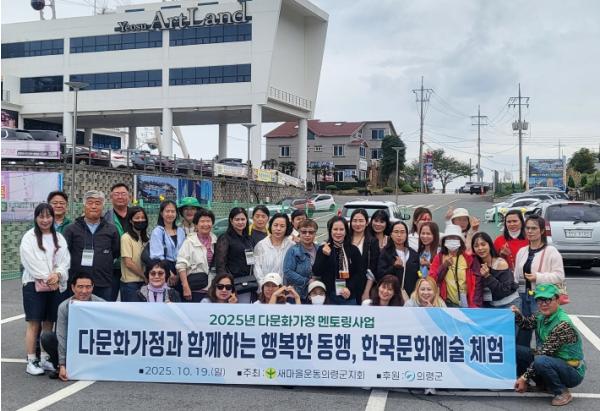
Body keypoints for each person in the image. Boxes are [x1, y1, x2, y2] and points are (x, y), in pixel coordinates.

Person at [513, 284, 585, 407]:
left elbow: (543, 353)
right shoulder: (540, 315)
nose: (543, 304)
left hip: (572, 371)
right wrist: (517, 314)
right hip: (552, 360)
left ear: (557, 300)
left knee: (541, 361)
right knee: (516, 350)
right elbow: (526, 325)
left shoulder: (563, 324)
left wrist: (524, 378)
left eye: (547, 300)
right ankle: (544, 384)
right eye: (539, 300)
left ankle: (562, 392)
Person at [20, 203, 70, 376]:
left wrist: (58, 274)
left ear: (53, 218)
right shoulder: (29, 237)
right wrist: (49, 278)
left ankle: (45, 357)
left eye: (48, 216)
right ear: (36, 218)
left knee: (49, 321)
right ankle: (31, 359)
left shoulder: (59, 237)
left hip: (54, 284)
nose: (45, 220)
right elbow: (30, 262)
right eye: (41, 216)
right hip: (34, 285)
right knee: (34, 323)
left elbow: (65, 260)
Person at [40, 273, 104, 380]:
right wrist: (62, 364)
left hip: (94, 344)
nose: (84, 291)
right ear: (73, 288)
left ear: (93, 287)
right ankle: (60, 367)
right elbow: (61, 336)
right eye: (80, 287)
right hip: (72, 344)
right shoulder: (64, 307)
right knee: (47, 337)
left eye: (88, 287)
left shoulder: (101, 304)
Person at [514, 215, 565, 347]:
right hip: (523, 296)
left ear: (542, 231)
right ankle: (524, 360)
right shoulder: (522, 251)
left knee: (542, 335)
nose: (530, 231)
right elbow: (516, 276)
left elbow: (559, 276)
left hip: (542, 298)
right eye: (527, 228)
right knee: (522, 334)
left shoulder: (551, 251)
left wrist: (538, 277)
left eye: (534, 228)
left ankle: (541, 359)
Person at [63, 190, 120, 301]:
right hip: (78, 284)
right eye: (90, 203)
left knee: (103, 310)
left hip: (103, 281)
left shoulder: (111, 229)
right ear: (84, 205)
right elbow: (65, 253)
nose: (94, 206)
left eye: (98, 203)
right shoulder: (71, 229)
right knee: (78, 311)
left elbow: (116, 251)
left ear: (103, 206)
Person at [312, 217, 362, 305]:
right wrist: (324, 256)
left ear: (346, 231)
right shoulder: (323, 248)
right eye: (335, 229)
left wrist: (349, 288)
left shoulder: (353, 250)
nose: (338, 232)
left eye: (341, 229)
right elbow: (316, 272)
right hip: (329, 296)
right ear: (330, 231)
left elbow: (359, 273)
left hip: (348, 296)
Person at [429, 224, 482, 308]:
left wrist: (475, 306)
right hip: (446, 304)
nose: (452, 240)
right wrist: (444, 266)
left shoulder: (469, 258)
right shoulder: (439, 257)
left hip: (468, 305)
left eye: (455, 238)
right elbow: (432, 280)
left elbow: (477, 283)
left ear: (460, 241)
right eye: (449, 238)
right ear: (444, 241)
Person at [214, 207, 256, 303]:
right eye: (237, 219)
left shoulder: (249, 239)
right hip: (232, 285)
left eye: (243, 219)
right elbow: (220, 265)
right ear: (231, 221)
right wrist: (226, 286)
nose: (240, 222)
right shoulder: (225, 238)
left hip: (248, 283)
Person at [176, 208, 217, 302]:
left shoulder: (215, 240)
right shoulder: (189, 242)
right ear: (196, 224)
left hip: (212, 289)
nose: (206, 224)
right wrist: (185, 287)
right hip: (195, 289)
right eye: (202, 221)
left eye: (208, 221)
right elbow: (181, 265)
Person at [471, 232, 520, 308]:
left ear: (490, 245)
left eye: (483, 244)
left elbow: (504, 290)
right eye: (476, 246)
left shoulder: (500, 263)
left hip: (509, 303)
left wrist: (488, 276)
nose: (480, 248)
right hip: (489, 305)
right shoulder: (475, 265)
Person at [104, 183, 132, 301]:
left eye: (123, 194)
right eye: (116, 194)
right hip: (112, 268)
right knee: (109, 301)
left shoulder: (136, 215)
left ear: (129, 196)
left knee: (131, 303)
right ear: (111, 197)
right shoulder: (104, 217)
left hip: (132, 267)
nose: (120, 197)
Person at [377, 221, 420, 297]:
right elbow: (380, 275)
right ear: (391, 235)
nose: (399, 235)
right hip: (390, 296)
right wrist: (394, 267)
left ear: (407, 235)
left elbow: (417, 275)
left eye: (402, 232)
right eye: (396, 232)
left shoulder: (414, 254)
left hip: (411, 296)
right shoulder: (385, 253)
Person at [149, 200, 186, 281]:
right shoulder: (157, 231)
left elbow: (185, 252)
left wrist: (179, 273)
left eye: (173, 211)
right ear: (161, 213)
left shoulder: (180, 231)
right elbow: (157, 256)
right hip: (164, 269)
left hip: (181, 269)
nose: (170, 214)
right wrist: (169, 273)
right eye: (167, 211)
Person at [348, 209, 380, 304]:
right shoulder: (345, 239)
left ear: (367, 223)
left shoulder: (372, 242)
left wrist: (366, 291)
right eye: (355, 220)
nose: (358, 224)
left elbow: (372, 268)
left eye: (361, 221)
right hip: (345, 285)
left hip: (363, 285)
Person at [253, 213, 294, 285]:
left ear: (287, 228)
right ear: (270, 226)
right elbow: (257, 268)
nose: (278, 229)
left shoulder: (291, 246)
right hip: (265, 288)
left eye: (282, 226)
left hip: (285, 288)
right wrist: (263, 285)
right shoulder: (261, 245)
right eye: (275, 225)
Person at [283, 219, 318, 301]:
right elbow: (287, 272)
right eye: (304, 232)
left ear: (315, 233)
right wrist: (307, 281)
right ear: (299, 232)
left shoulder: (319, 249)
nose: (307, 235)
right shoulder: (293, 250)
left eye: (311, 232)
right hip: (297, 295)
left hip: (316, 293)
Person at [119, 206, 149, 302]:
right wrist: (144, 276)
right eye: (137, 218)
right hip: (130, 284)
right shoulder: (126, 238)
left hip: (144, 283)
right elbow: (128, 263)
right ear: (131, 221)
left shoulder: (145, 238)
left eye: (143, 217)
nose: (140, 220)